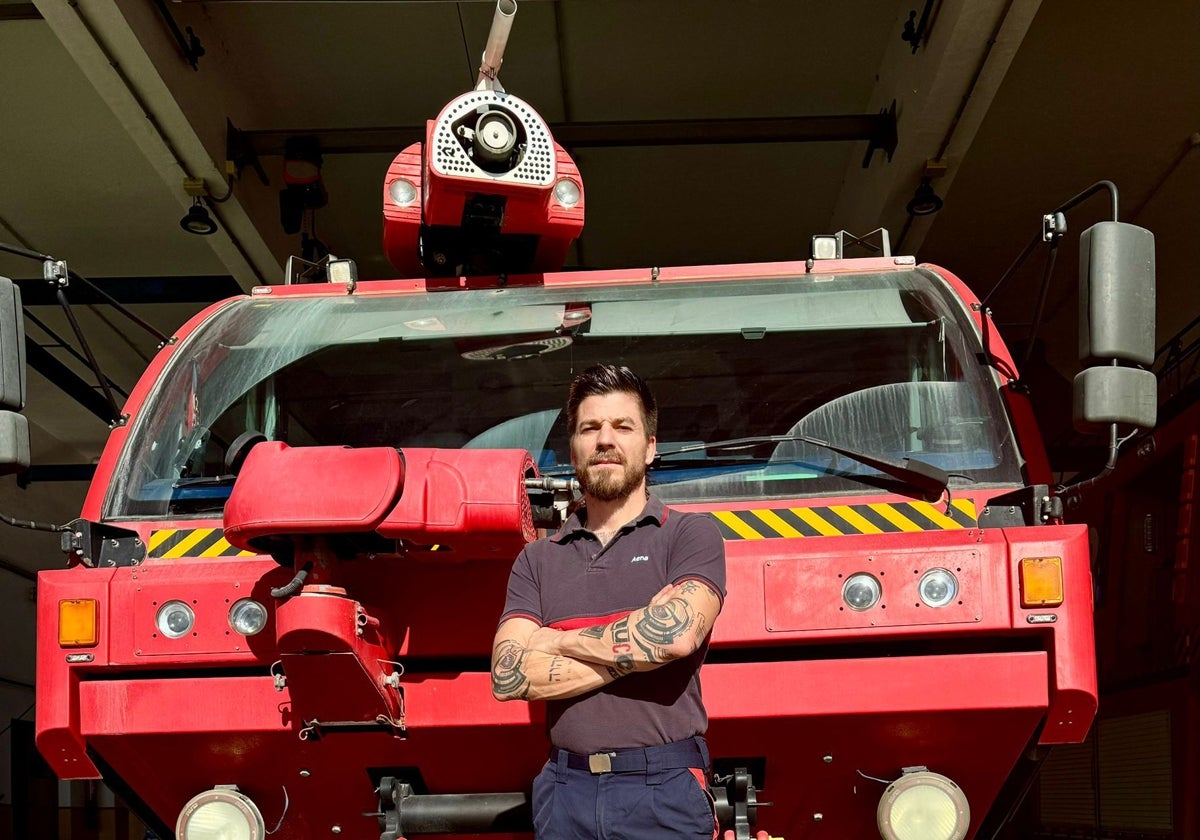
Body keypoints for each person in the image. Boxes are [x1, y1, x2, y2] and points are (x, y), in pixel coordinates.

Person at [492, 364, 727, 839]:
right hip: (564, 792)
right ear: (572, 450)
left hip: (664, 789)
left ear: (651, 446)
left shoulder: (689, 535)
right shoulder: (538, 559)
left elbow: (675, 638)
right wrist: (636, 644)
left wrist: (554, 643)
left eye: (623, 427)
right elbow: (506, 675)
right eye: (589, 428)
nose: (605, 440)